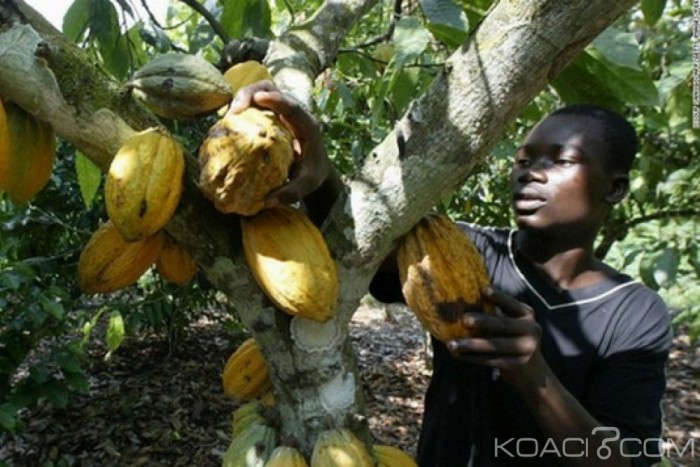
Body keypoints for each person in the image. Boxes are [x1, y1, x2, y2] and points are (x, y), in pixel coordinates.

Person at [231, 82, 673, 466]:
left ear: (614, 187)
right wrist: (317, 161)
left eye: (559, 161)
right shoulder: (464, 248)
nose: (529, 175)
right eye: (522, 161)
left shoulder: (635, 312)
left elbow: (622, 460)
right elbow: (356, 250)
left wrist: (536, 379)